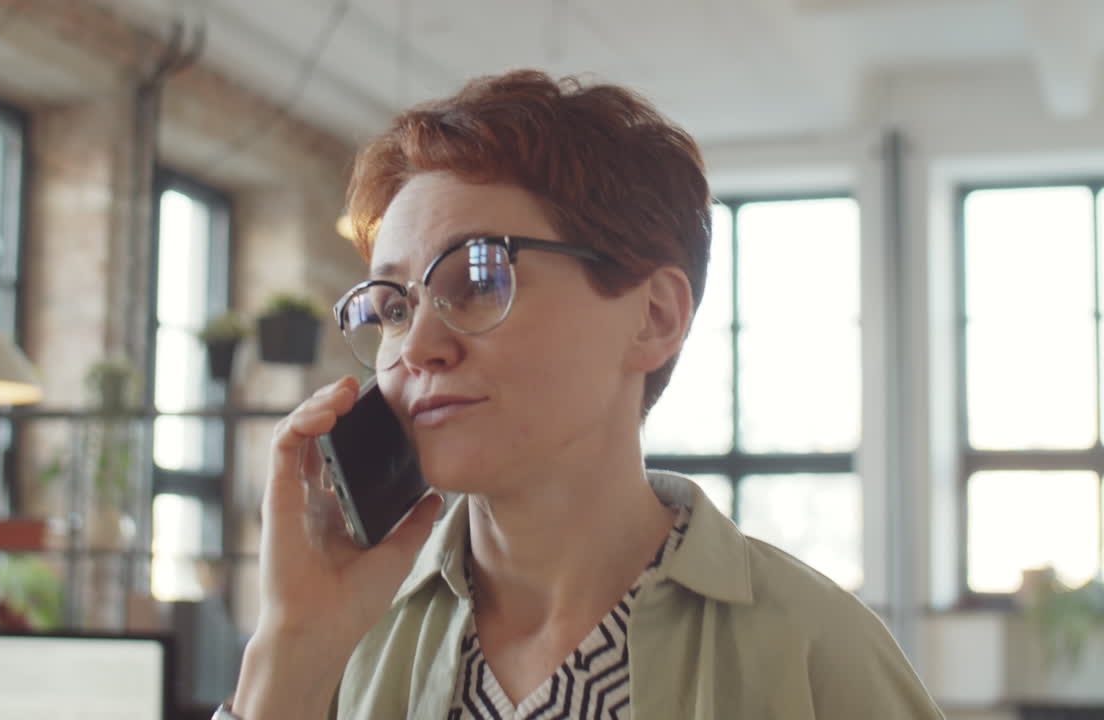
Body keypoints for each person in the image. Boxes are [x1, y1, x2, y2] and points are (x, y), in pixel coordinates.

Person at [219, 70, 944, 719]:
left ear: (653, 318)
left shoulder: (814, 654)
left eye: (478, 281)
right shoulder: (350, 634)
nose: (413, 349)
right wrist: (292, 652)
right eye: (395, 308)